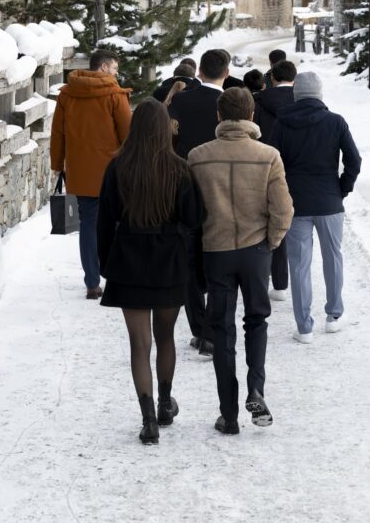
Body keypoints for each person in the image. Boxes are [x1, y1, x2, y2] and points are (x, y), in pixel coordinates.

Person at [97, 99, 205, 445]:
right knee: (166, 337)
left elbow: (104, 221)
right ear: (164, 129)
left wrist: (105, 264)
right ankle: (164, 403)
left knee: (139, 344)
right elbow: (194, 218)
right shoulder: (180, 169)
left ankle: (147, 420)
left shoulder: (117, 168)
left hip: (129, 261)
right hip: (168, 262)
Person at [189, 86, 293, 434]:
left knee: (221, 328)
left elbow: (191, 211)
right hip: (255, 251)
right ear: (251, 116)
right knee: (257, 321)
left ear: (219, 116)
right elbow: (283, 209)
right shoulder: (268, 156)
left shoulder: (198, 156)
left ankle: (228, 413)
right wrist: (271, 242)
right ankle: (256, 388)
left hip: (216, 250)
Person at [268, 72, 361, 343]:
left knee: (298, 264)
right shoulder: (335, 122)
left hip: (295, 202)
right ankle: (333, 315)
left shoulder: (282, 123)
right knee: (333, 257)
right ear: (319, 93)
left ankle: (304, 327)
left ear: (296, 94)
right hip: (329, 201)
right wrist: (342, 188)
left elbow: (273, 163)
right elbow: (354, 160)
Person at [50, 49, 132, 299]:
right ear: (105, 67)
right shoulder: (114, 95)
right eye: (116, 69)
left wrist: (57, 164)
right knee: (116, 224)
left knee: (88, 225)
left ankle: (92, 282)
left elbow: (58, 132)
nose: (117, 74)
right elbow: (127, 134)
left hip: (81, 170)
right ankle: (116, 275)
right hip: (112, 174)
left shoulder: (67, 94)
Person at [168, 48, 229, 355]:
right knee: (219, 258)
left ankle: (201, 329)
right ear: (226, 73)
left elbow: (171, 138)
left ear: (200, 73)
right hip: (223, 185)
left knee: (190, 261)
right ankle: (216, 325)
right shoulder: (231, 100)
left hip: (186, 183)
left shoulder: (180, 100)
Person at [254, 59, 298, 302]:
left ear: (272, 79)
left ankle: (278, 281)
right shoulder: (301, 100)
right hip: (298, 167)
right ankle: (299, 275)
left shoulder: (261, 101)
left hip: (268, 166)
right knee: (298, 224)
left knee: (274, 218)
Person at [253, 60, 297, 144]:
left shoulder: (259, 101)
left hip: (265, 153)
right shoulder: (302, 102)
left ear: (272, 77)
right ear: (294, 78)